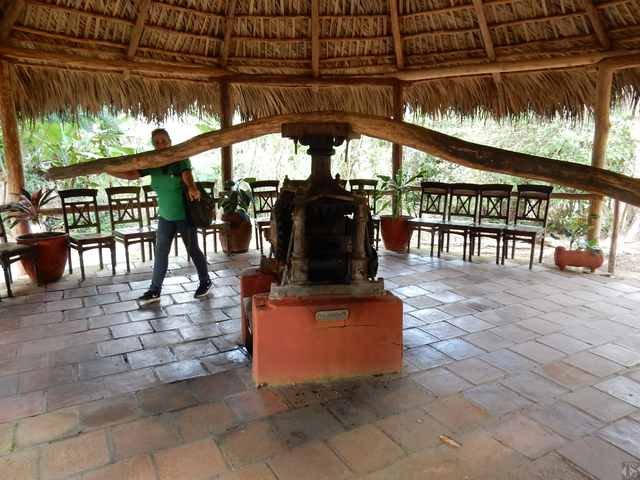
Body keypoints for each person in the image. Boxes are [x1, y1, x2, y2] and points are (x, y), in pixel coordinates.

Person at [107, 128, 212, 304]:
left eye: (163, 141)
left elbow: (187, 175)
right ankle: (155, 290)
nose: (160, 144)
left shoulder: (180, 158)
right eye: (156, 142)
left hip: (184, 215)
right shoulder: (152, 162)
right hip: (165, 217)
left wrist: (192, 187)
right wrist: (107, 170)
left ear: (170, 141)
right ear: (153, 145)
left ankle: (205, 281)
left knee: (193, 249)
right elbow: (131, 175)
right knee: (161, 253)